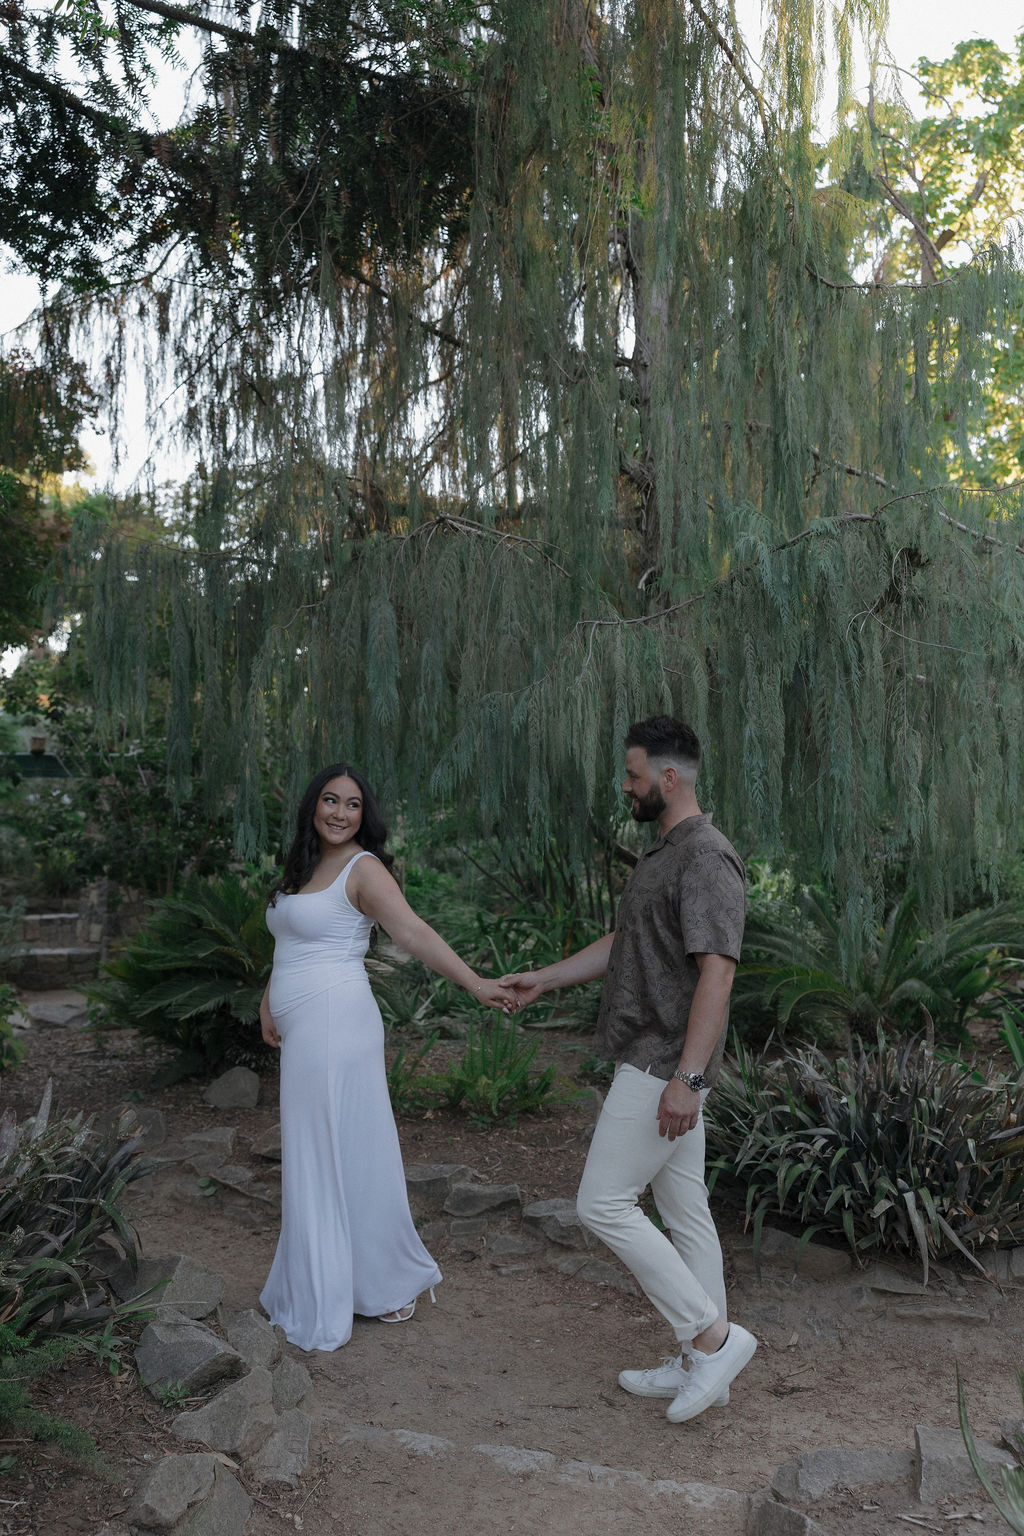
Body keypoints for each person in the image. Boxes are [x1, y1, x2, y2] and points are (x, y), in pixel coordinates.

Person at [500, 716, 756, 1422]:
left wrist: (690, 1079)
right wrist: (544, 980)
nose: (627, 785)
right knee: (684, 1211)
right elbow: (626, 942)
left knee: (601, 1204)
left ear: (668, 778)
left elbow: (718, 974)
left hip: (662, 1064)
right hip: (656, 1058)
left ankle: (712, 1339)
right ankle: (706, 1371)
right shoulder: (663, 856)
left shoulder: (706, 857)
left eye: (635, 774)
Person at [259, 762, 514, 1351]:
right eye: (329, 800)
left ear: (364, 815)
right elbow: (291, 943)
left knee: (332, 1154)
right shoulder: (302, 867)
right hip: (304, 1025)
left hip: (335, 1022)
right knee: (330, 1153)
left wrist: (474, 982)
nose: (339, 813)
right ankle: (366, 1282)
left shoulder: (362, 869)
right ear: (312, 806)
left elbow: (414, 933)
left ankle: (353, 1289)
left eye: (352, 804)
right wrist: (267, 999)